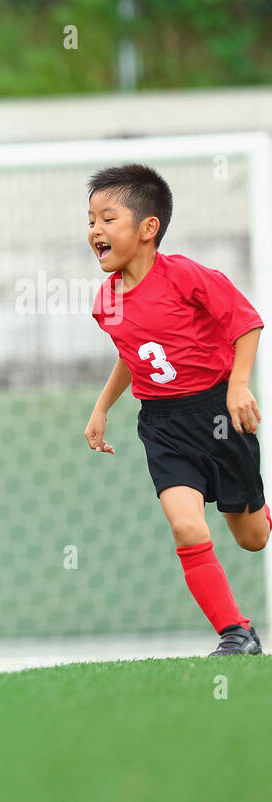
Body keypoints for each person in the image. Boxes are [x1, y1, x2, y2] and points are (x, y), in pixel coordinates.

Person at [84, 163, 267, 656]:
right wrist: (102, 408)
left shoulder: (185, 276)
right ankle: (237, 632)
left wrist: (238, 386)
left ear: (149, 229)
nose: (95, 230)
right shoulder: (105, 303)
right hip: (162, 425)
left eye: (108, 218)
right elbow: (134, 355)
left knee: (252, 538)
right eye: (91, 221)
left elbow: (247, 323)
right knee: (186, 525)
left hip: (218, 413)